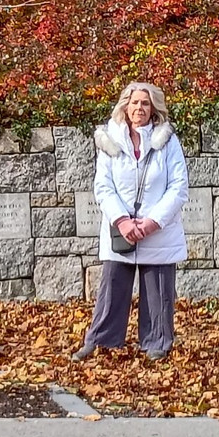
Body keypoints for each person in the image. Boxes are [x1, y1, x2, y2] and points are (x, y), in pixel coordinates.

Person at [72, 82, 189, 362]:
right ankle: (101, 340)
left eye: (145, 104)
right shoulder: (109, 139)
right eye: (135, 102)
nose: (139, 108)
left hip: (157, 230)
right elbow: (103, 186)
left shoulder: (168, 141)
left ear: (154, 109)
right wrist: (123, 221)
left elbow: (178, 187)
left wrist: (151, 222)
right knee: (112, 286)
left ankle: (157, 341)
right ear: (125, 105)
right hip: (120, 229)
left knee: (158, 289)